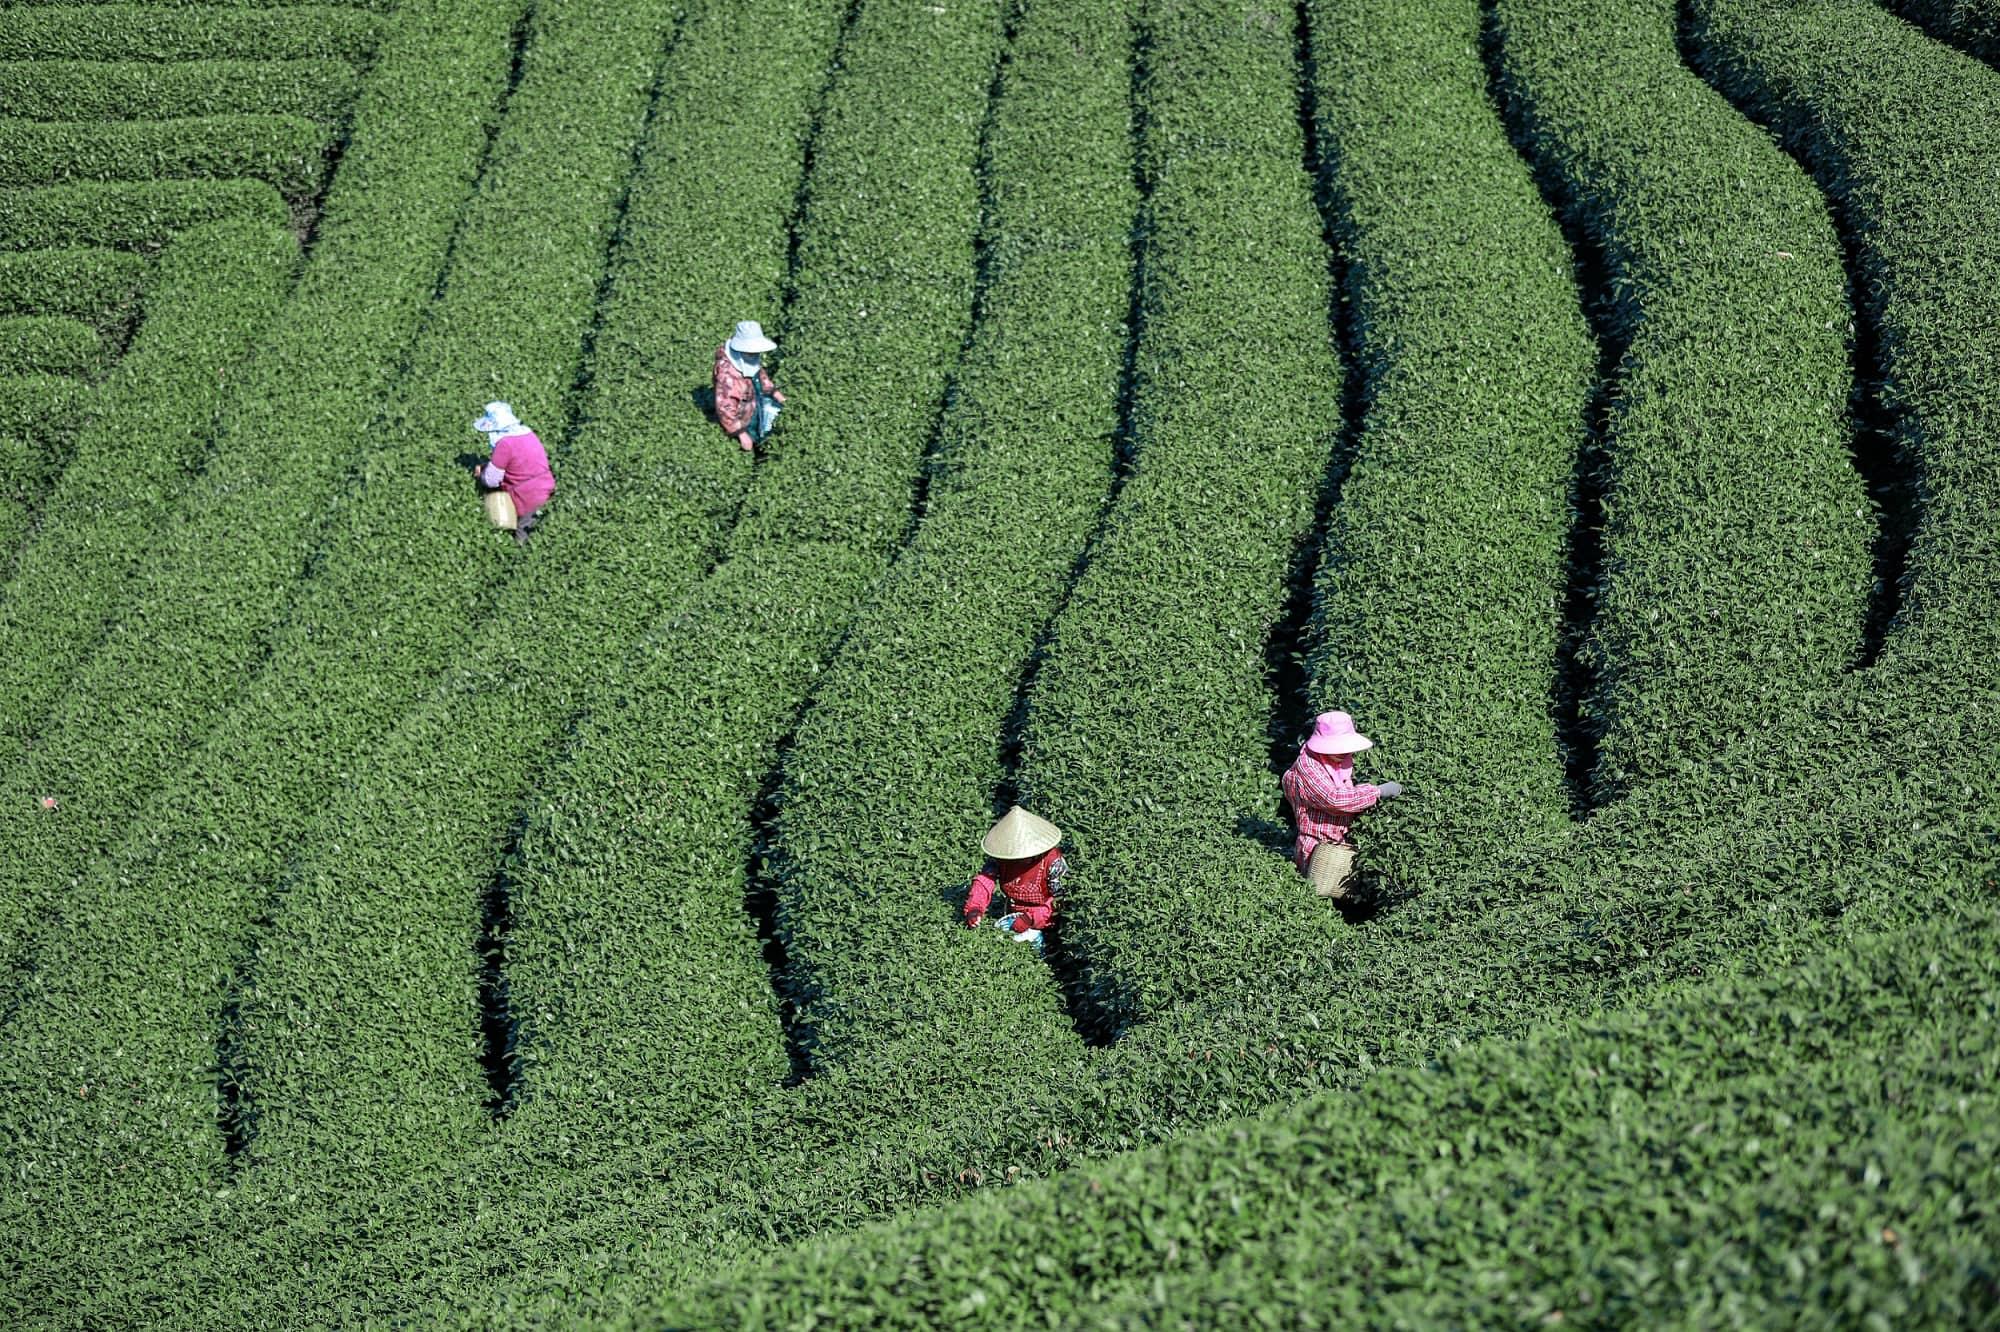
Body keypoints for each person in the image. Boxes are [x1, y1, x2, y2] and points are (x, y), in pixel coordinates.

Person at [1281, 710, 1403, 901]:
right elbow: (1335, 799)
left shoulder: (1337, 761)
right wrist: (1377, 791)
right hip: (1318, 850)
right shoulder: (1308, 768)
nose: (1344, 752)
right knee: (1319, 897)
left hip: (1339, 847)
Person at [962, 805, 1066, 947]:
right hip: (1013, 912)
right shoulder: (1002, 857)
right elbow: (985, 881)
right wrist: (975, 909)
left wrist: (1031, 919)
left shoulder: (1053, 862)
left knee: (1038, 945)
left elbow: (1058, 901)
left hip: (1046, 917)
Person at [471, 401, 555, 545]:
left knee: (524, 538)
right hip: (547, 488)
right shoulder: (528, 433)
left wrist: (481, 475)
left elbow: (491, 480)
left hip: (528, 497)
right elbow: (521, 462)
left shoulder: (504, 444)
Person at [712, 319, 785, 451]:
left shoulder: (748, 357)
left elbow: (759, 374)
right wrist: (741, 433)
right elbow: (725, 407)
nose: (754, 354)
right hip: (741, 415)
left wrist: (776, 393)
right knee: (751, 438)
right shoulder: (727, 375)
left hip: (752, 401)